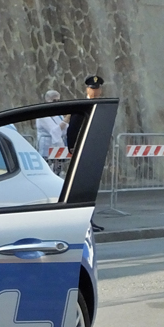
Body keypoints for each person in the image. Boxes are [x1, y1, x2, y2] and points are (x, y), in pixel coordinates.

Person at [65, 75, 106, 232]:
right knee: (82, 187)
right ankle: (84, 221)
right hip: (82, 149)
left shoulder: (102, 106)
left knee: (91, 187)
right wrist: (72, 147)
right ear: (87, 89)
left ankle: (90, 220)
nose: (95, 92)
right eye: (92, 89)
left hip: (95, 148)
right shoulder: (82, 105)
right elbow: (73, 128)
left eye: (97, 89)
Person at [35, 89, 68, 172]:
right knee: (48, 170)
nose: (56, 102)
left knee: (58, 170)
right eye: (54, 100)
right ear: (47, 100)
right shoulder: (42, 115)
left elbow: (64, 130)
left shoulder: (58, 114)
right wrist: (67, 119)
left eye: (58, 100)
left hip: (58, 146)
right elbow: (54, 130)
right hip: (46, 146)